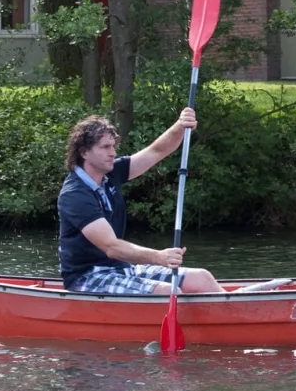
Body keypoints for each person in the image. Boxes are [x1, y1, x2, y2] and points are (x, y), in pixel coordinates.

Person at [58, 109, 223, 295]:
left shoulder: (111, 173)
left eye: (113, 146)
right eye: (105, 147)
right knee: (169, 291)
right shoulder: (75, 195)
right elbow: (111, 247)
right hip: (87, 277)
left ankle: (232, 318)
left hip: (122, 268)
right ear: (84, 152)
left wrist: (180, 126)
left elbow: (156, 151)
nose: (112, 153)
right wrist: (158, 256)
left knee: (202, 277)